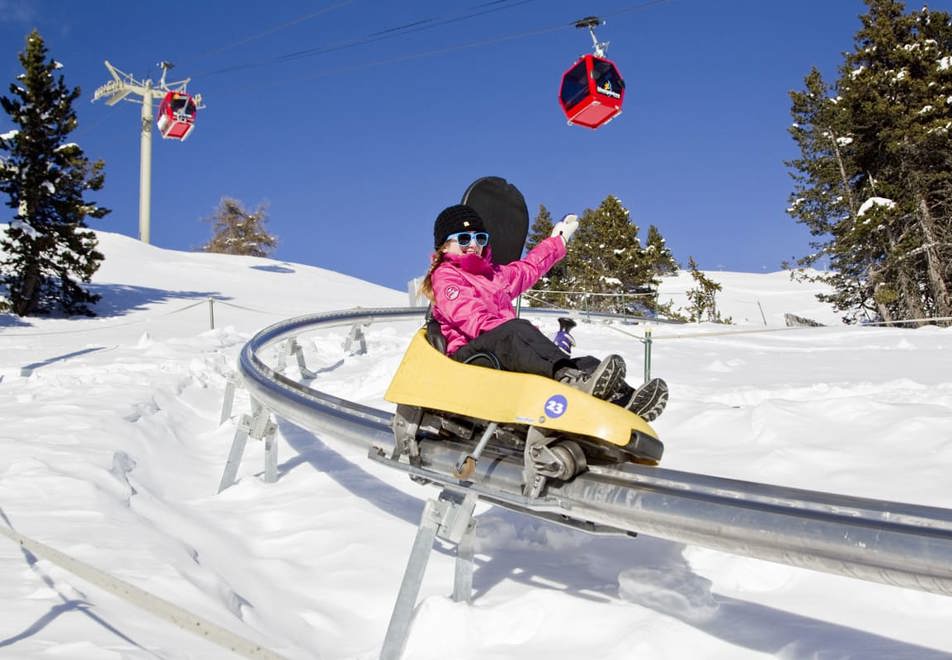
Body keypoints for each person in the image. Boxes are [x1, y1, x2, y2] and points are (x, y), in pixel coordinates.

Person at [420, 203, 667, 421]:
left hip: (500, 347)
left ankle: (627, 403)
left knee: (585, 363)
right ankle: (571, 382)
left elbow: (528, 269)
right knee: (517, 331)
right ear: (444, 245)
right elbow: (471, 317)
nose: (473, 245)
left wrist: (557, 241)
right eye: (464, 239)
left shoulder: (493, 275)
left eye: (480, 238)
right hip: (468, 361)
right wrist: (520, 335)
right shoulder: (446, 275)